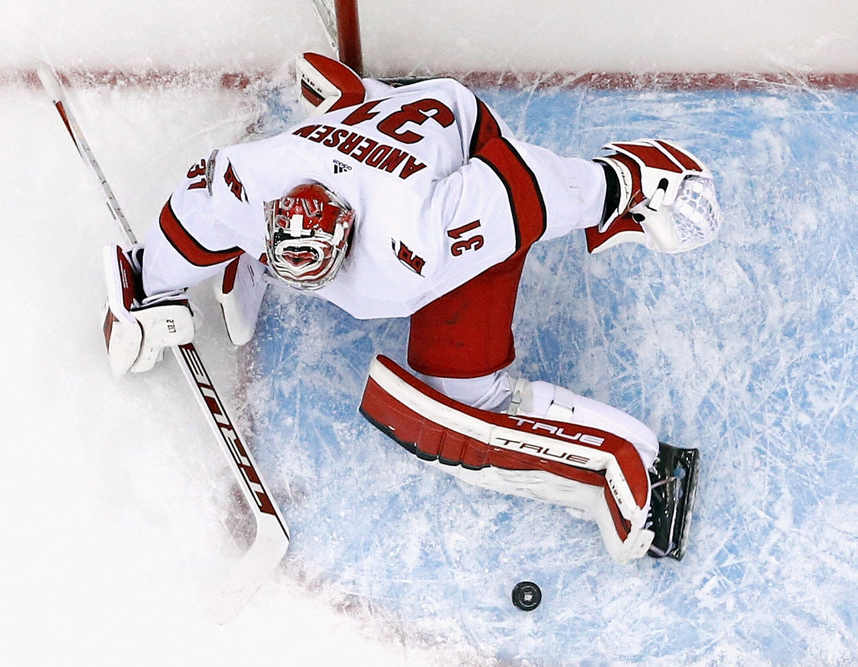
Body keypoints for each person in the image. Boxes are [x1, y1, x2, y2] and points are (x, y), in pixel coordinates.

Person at [101, 53, 722, 563]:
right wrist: (146, 291)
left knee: (458, 392)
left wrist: (623, 182)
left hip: (461, 141)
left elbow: (527, 185)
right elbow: (193, 210)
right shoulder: (253, 178)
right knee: (278, 182)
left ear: (350, 237)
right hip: (371, 128)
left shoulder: (422, 237)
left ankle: (625, 456)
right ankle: (360, 99)